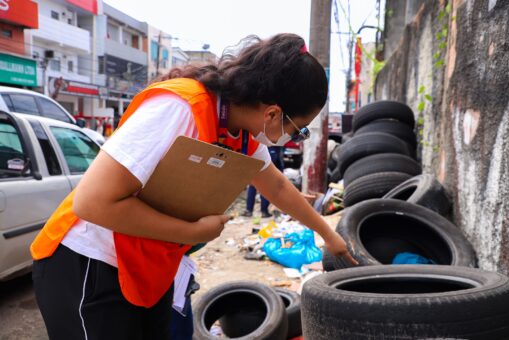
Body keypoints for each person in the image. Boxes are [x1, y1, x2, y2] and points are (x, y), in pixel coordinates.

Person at [30, 33, 357, 339]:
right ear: (272, 113)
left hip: (144, 265)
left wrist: (329, 236)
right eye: (298, 130)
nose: (294, 139)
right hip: (87, 263)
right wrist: (192, 233)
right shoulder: (179, 110)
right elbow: (92, 204)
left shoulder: (238, 130)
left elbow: (279, 187)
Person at [242, 146, 284, 218]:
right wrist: (280, 171)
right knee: (265, 187)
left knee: (253, 185)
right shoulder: (276, 145)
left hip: (256, 158)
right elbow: (279, 160)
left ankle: (249, 210)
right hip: (270, 155)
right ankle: (264, 211)